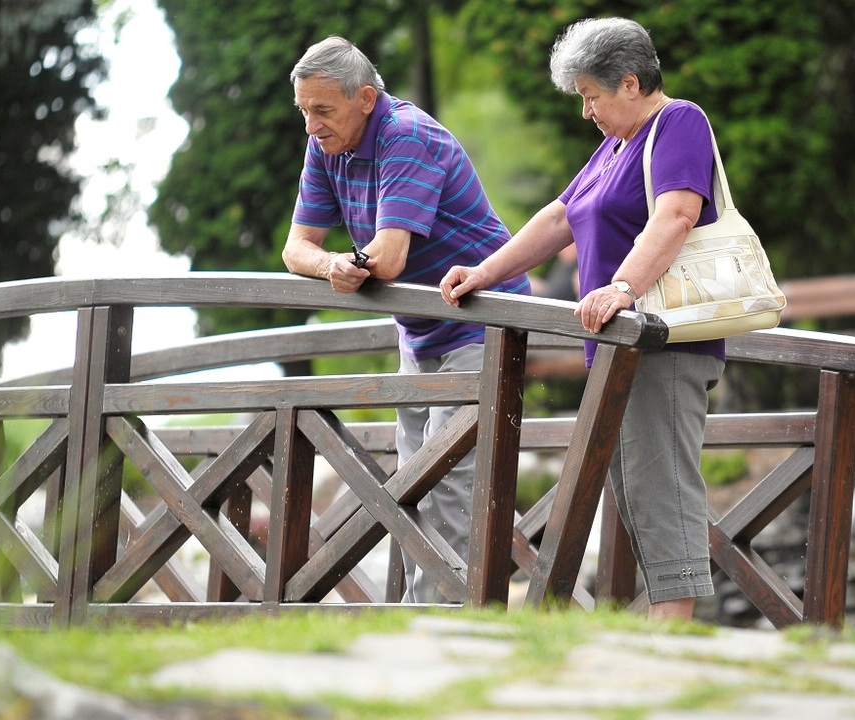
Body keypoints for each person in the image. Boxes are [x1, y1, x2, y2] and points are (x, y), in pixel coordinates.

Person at [440, 17, 725, 622]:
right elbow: (558, 219)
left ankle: (672, 636)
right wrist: (484, 273)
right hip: (619, 346)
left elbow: (676, 215)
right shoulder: (615, 146)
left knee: (662, 487)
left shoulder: (679, 123)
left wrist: (623, 285)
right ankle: (656, 630)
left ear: (629, 83)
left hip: (662, 341)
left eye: (591, 96)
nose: (587, 110)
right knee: (633, 490)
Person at [281, 36, 532, 603]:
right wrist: (332, 264)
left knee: (454, 484)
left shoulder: (406, 135)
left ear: (366, 98)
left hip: (480, 319)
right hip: (418, 326)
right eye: (304, 111)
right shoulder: (326, 146)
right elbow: (295, 248)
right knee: (412, 483)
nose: (311, 125)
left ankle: (457, 624)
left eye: (322, 110)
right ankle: (428, 619)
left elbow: (388, 258)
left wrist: (347, 265)